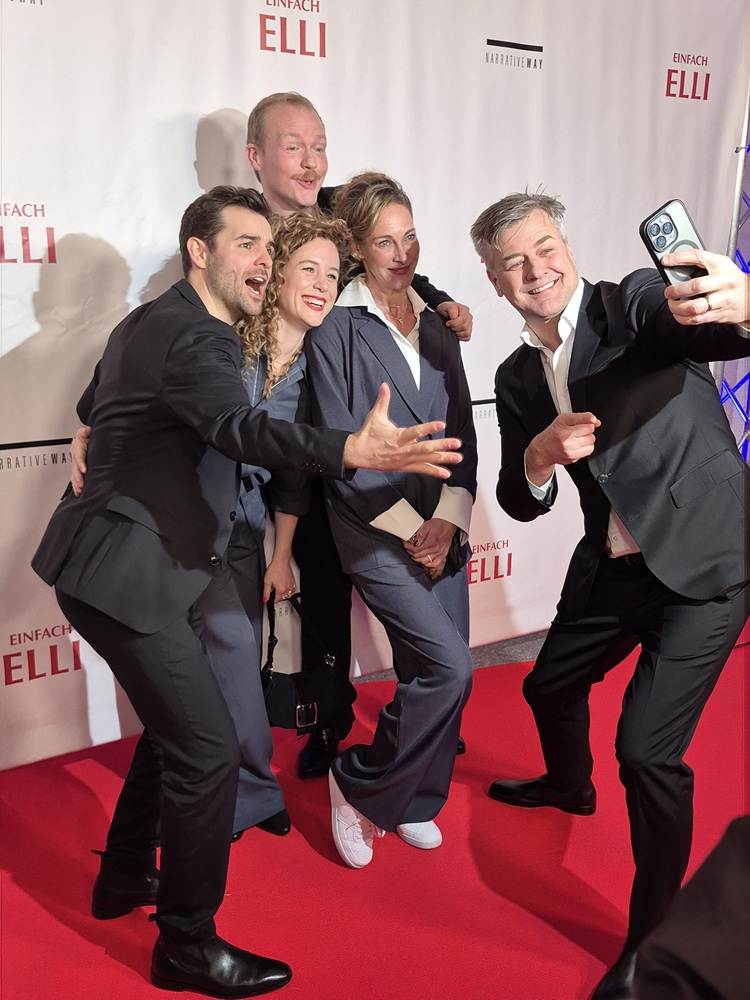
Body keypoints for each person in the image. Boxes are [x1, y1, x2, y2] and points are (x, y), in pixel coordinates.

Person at [31, 185, 462, 999]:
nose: (263, 260)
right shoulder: (200, 335)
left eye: (270, 246)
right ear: (200, 252)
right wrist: (352, 449)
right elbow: (238, 427)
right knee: (205, 750)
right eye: (246, 245)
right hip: (129, 574)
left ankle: (123, 874)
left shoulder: (149, 320)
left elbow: (103, 405)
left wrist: (98, 433)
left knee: (175, 731)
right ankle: (187, 945)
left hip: (122, 564)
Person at [469, 191, 750, 1000]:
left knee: (647, 752)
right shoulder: (515, 375)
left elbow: (690, 321)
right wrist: (538, 456)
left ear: (567, 245)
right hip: (617, 568)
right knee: (546, 686)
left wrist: (732, 306)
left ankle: (651, 940)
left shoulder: (629, 304)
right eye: (514, 262)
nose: (536, 270)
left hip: (706, 563)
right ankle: (569, 784)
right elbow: (519, 500)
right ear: (493, 279)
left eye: (545, 247)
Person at [246, 91, 471, 774]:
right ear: (256, 157)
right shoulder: (242, 226)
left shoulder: (343, 209)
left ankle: (429, 708)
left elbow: (400, 267)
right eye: (293, 147)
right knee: (321, 596)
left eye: (318, 146)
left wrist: (442, 304)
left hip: (362, 436)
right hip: (291, 439)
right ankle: (329, 721)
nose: (310, 161)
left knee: (407, 580)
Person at [305, 172, 477, 868]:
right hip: (373, 527)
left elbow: (464, 432)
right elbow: (346, 451)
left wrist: (451, 519)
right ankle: (356, 783)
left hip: (443, 525)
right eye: (385, 242)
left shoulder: (438, 323)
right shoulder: (334, 329)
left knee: (435, 673)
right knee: (449, 668)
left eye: (410, 237)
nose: (403, 254)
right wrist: (416, 531)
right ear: (355, 246)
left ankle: (417, 798)